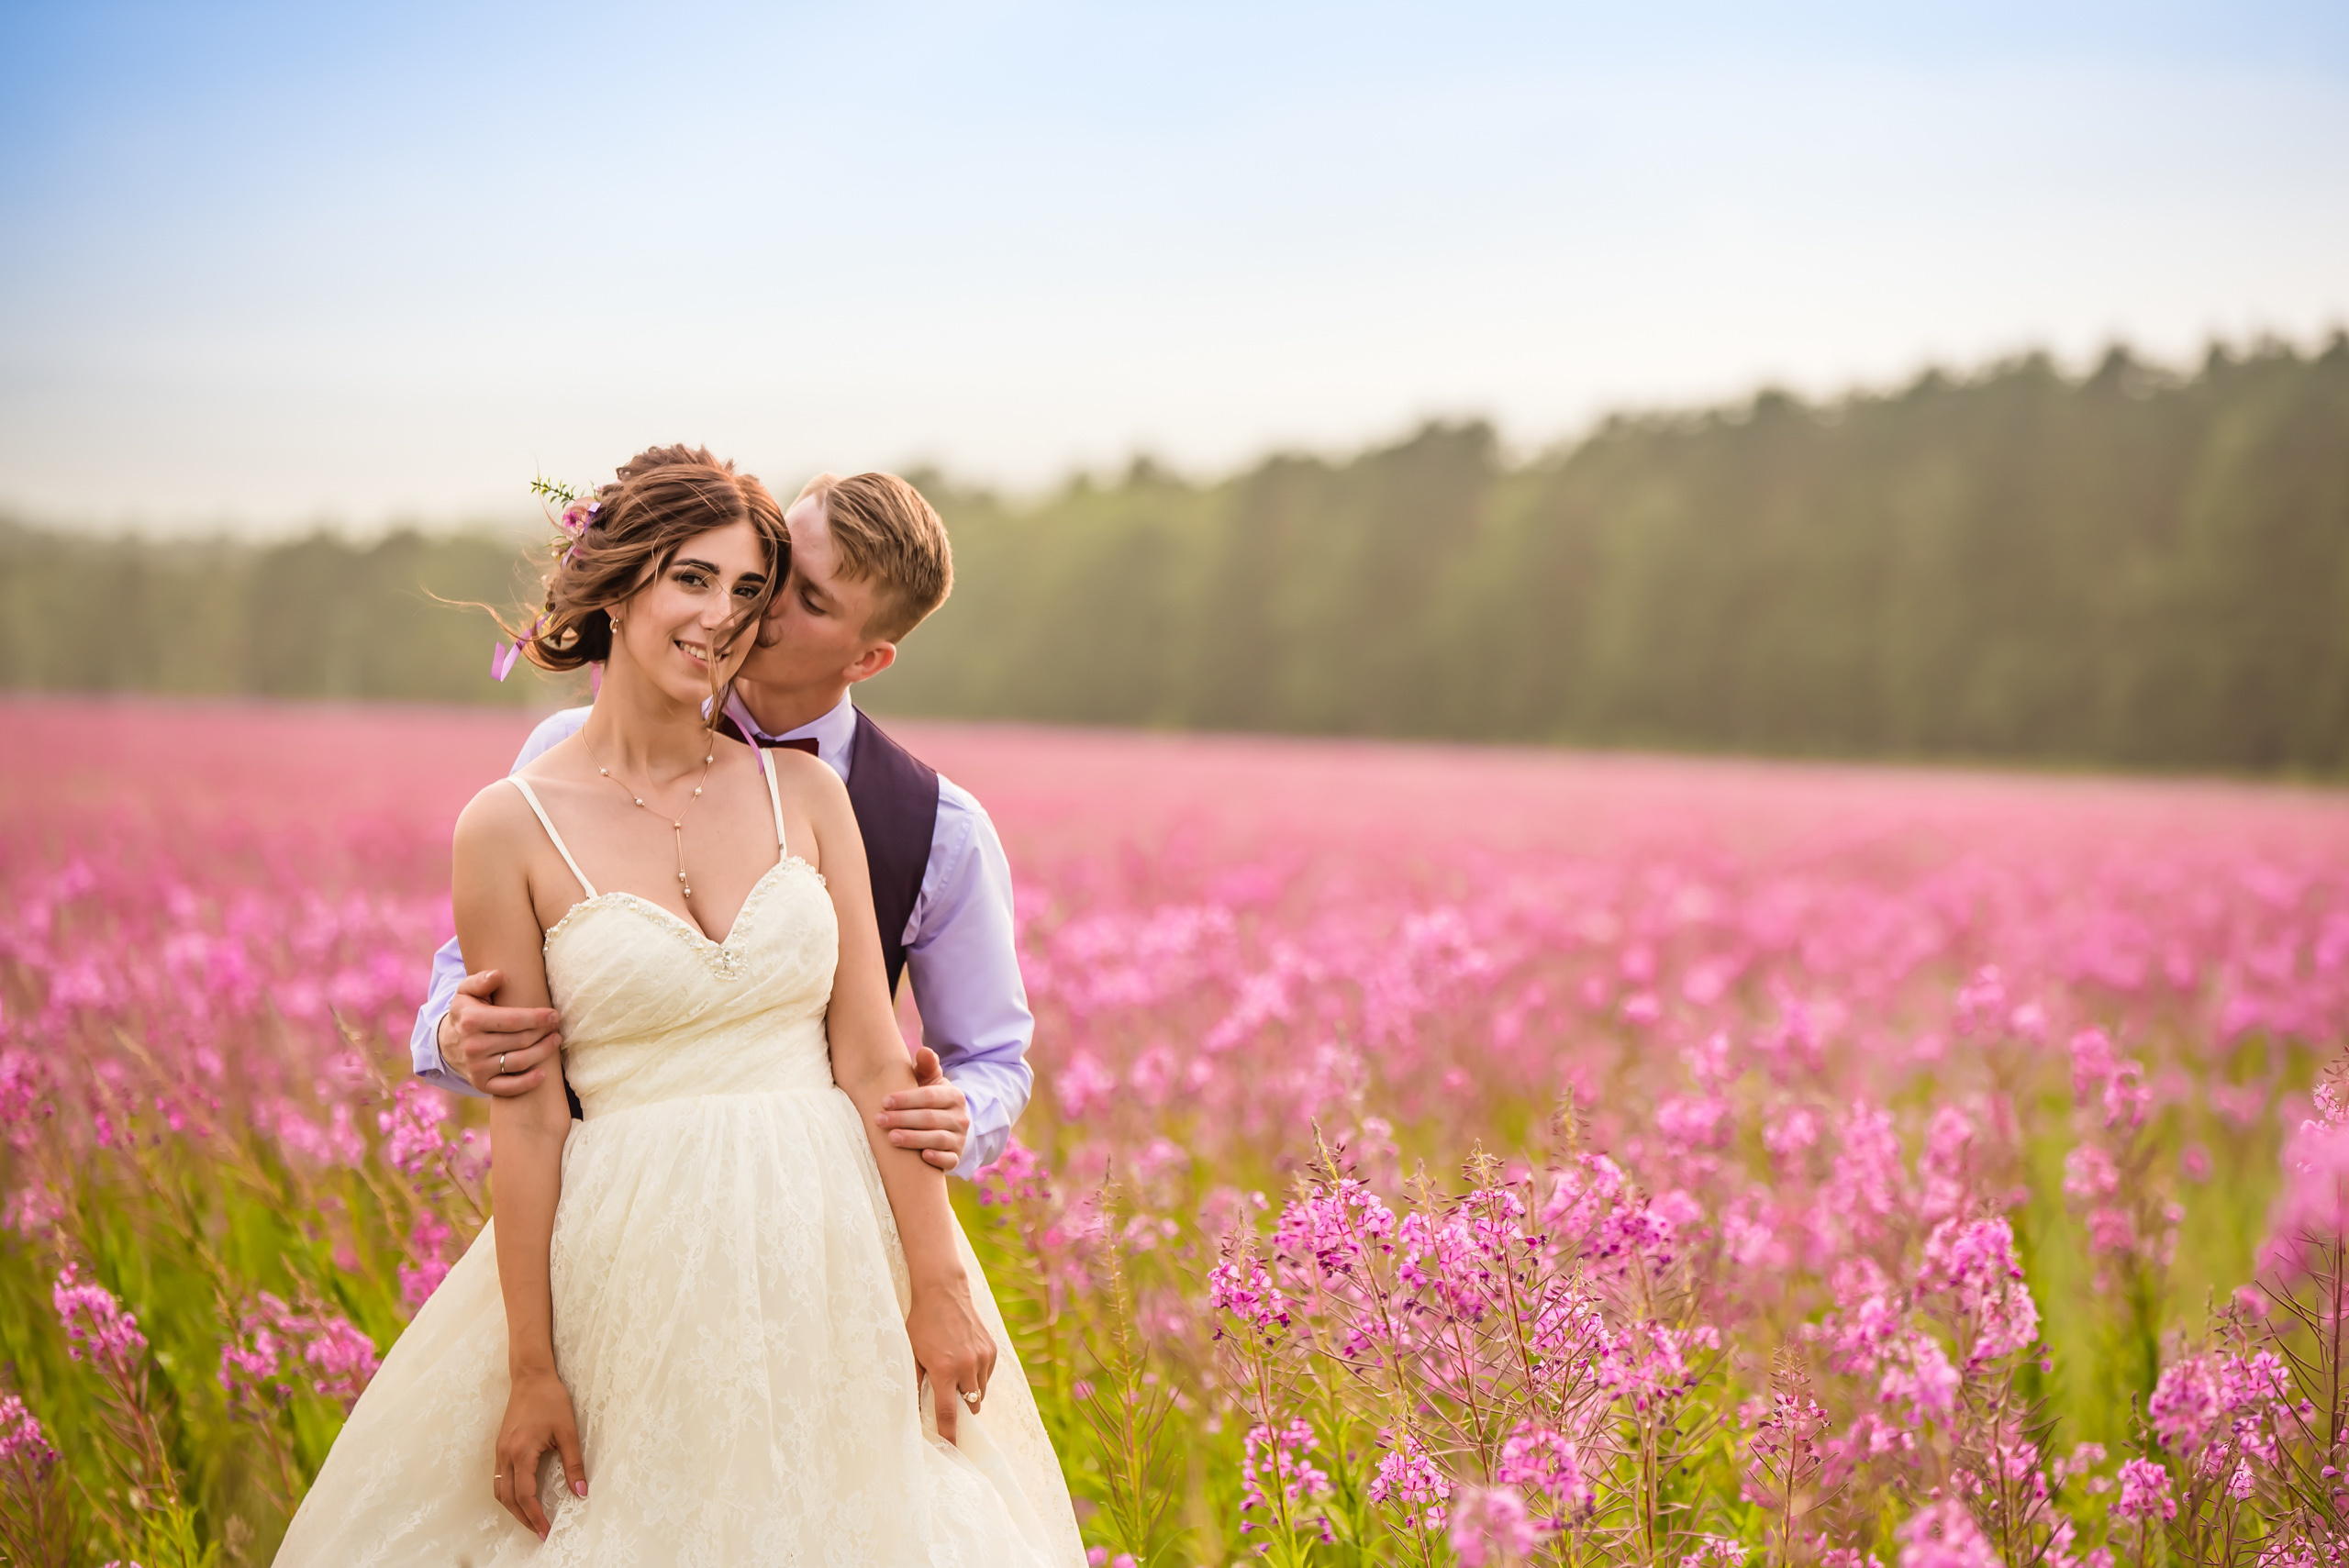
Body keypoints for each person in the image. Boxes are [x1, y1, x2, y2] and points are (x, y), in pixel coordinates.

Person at [275, 445, 1081, 1565]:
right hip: (626, 1240)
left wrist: (947, 1221)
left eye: (779, 593)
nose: (744, 614)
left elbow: (911, 1062)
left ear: (869, 654)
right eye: (719, 577)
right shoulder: (533, 787)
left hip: (829, 1248)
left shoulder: (881, 811)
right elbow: (511, 1048)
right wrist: (456, 1030)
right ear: (623, 585)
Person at [411, 469, 1031, 1179]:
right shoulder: (566, 754)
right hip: (606, 1198)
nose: (758, 602)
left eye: (811, 601)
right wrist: (453, 1036)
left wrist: (962, 1113)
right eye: (776, 566)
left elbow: (992, 1058)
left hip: (822, 1210)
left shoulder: (942, 828)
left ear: (867, 658)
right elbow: (468, 989)